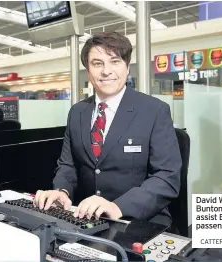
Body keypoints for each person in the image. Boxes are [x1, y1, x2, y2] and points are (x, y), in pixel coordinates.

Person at [34, 32, 182, 227]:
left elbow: (167, 177)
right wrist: (62, 191)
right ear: (88, 71)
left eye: (115, 61)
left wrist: (117, 207)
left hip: (139, 219)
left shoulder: (153, 110)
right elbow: (68, 165)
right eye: (97, 64)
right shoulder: (77, 112)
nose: (106, 71)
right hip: (87, 218)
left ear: (127, 67)